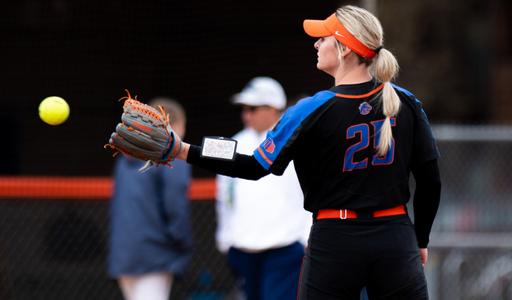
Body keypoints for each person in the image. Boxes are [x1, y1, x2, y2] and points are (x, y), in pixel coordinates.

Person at [111, 4, 441, 299]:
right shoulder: (406, 102)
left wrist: (183, 150)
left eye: (323, 38)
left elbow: (254, 164)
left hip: (336, 242)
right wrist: (420, 237)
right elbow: (430, 180)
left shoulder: (312, 109)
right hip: (395, 238)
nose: (316, 43)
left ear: (343, 49)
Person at [215, 77, 312, 300]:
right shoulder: (232, 142)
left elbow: (310, 191)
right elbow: (225, 196)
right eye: (243, 108)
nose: (246, 114)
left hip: (285, 247)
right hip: (242, 248)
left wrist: (306, 237)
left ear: (273, 108)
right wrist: (226, 239)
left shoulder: (296, 141)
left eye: (252, 108)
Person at [108, 98, 192, 300]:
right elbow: (176, 209)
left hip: (124, 254)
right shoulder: (173, 156)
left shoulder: (123, 158)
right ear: (174, 124)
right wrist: (183, 243)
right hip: (155, 254)